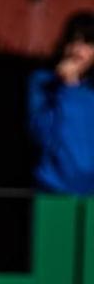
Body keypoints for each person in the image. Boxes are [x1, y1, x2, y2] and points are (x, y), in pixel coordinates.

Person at [31, 10, 94, 195]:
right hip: (54, 190)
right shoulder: (44, 82)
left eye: (87, 43)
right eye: (73, 41)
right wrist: (67, 88)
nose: (77, 49)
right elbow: (41, 135)